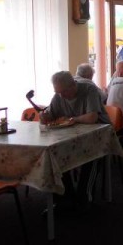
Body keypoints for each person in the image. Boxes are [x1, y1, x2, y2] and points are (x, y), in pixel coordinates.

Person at [42, 71, 110, 209]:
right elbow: (50, 116)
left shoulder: (89, 90)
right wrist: (44, 116)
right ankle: (65, 198)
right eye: (57, 92)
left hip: (98, 135)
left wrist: (72, 119)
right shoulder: (59, 95)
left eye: (63, 92)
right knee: (56, 157)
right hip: (72, 137)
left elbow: (92, 118)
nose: (61, 96)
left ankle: (84, 198)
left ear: (73, 85)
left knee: (91, 156)